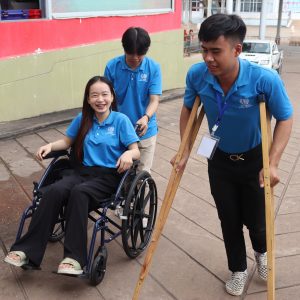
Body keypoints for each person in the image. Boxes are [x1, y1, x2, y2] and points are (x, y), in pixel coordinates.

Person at [171, 14, 293, 296]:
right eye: (204, 50)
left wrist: (273, 163)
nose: (208, 58)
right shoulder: (198, 76)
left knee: (257, 221)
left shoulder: (264, 80)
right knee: (228, 218)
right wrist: (184, 149)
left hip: (255, 161)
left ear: (237, 50)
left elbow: (285, 118)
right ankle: (238, 268)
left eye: (216, 51)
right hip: (219, 159)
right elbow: (189, 109)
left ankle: (261, 252)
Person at [4, 76, 140, 275]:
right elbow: (67, 142)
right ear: (88, 99)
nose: (100, 99)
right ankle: (26, 251)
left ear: (112, 97)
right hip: (81, 171)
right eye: (94, 95)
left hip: (109, 176)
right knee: (54, 190)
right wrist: (50, 146)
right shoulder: (83, 119)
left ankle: (74, 258)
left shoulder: (121, 121)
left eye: (104, 94)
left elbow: (135, 150)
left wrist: (129, 153)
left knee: (79, 193)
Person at [104, 27, 162, 173]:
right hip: (120, 130)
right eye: (131, 55)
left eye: (140, 56)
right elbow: (106, 99)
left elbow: (154, 99)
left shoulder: (153, 68)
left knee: (142, 173)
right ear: (124, 48)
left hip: (144, 130)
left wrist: (146, 117)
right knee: (120, 172)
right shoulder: (112, 67)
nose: (136, 59)